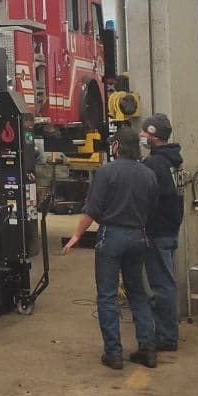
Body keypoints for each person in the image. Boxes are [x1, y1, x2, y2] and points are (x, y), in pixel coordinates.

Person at [62, 126, 158, 370]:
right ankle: (148, 350)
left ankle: (114, 354)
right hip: (138, 236)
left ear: (117, 146)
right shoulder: (148, 175)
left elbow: (91, 210)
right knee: (138, 293)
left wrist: (76, 235)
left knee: (107, 295)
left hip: (112, 237)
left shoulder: (107, 173)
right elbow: (152, 208)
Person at [140, 113, 184, 352]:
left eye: (145, 133)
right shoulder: (173, 160)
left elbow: (149, 199)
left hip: (158, 231)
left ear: (154, 135)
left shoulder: (155, 164)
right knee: (166, 281)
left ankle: (166, 337)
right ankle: (166, 330)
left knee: (162, 285)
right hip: (171, 228)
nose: (142, 137)